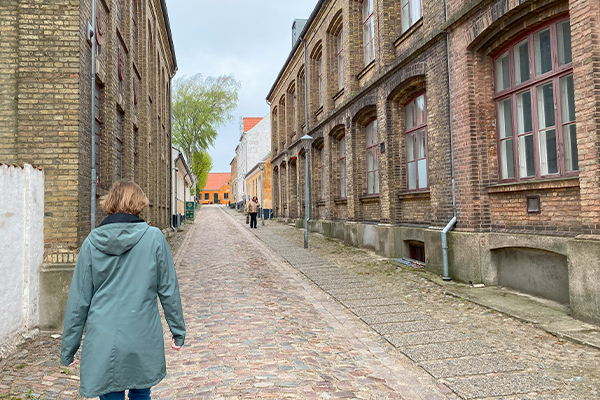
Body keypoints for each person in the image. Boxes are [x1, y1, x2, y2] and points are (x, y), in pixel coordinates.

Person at [60, 181, 186, 400]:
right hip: (142, 334)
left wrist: (68, 348)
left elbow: (79, 300)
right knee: (141, 391)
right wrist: (178, 332)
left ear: (110, 203)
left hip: (103, 337)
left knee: (109, 392)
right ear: (139, 204)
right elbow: (168, 290)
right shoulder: (154, 238)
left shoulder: (91, 242)